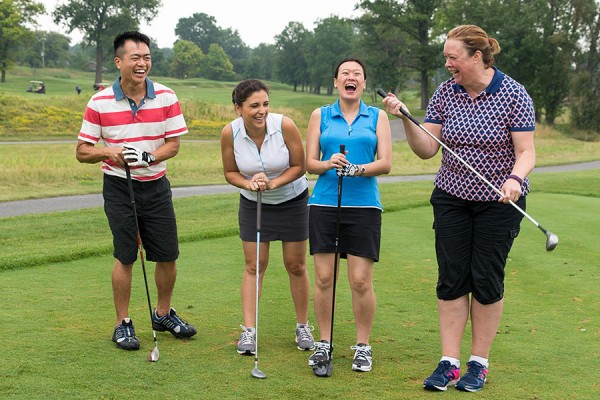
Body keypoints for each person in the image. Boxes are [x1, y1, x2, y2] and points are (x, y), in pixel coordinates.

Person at [382, 24, 536, 392]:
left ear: (476, 56)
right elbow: (427, 149)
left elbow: (526, 151)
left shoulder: (513, 93)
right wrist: (405, 116)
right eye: (446, 57)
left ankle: (478, 364)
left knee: (485, 279)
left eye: (453, 57)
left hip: (500, 201)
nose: (448, 63)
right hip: (451, 197)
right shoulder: (445, 93)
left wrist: (515, 179)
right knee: (452, 278)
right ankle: (449, 362)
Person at [75, 31, 197, 352]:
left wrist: (150, 156)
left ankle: (162, 314)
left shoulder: (167, 96)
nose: (142, 63)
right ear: (119, 62)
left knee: (168, 254)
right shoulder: (99, 101)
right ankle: (123, 323)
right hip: (118, 185)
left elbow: (173, 145)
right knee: (126, 255)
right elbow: (82, 151)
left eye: (146, 57)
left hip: (156, 186)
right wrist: (108, 153)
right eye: (135, 58)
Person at [306, 58, 392, 375]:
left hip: (365, 205)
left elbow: (385, 163)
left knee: (359, 280)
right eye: (345, 73)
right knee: (325, 277)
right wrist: (330, 163)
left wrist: (358, 168)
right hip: (325, 203)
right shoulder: (321, 115)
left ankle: (362, 346)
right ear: (336, 82)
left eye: (357, 74)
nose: (351, 77)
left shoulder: (378, 117)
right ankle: (323, 343)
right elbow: (309, 164)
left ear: (364, 83)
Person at [220, 79, 315, 356]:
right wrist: (248, 184)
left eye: (265, 104)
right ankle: (249, 331)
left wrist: (273, 183)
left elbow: (300, 165)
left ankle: (302, 326)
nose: (261, 111)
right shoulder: (230, 133)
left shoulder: (284, 125)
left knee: (296, 265)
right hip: (254, 203)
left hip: (293, 201)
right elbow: (230, 172)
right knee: (254, 266)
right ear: (238, 108)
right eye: (253, 106)